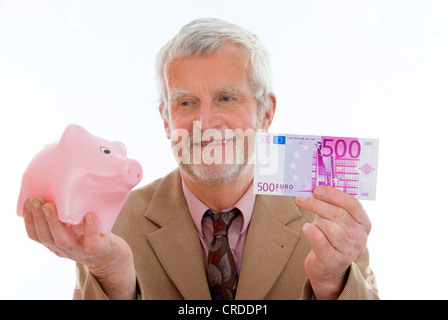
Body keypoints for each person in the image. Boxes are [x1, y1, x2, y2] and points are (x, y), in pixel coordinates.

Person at [22, 18, 379, 300]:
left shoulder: (329, 222)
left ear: (266, 112)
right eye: (186, 103)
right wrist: (115, 281)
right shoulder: (114, 223)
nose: (205, 123)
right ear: (165, 120)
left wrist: (332, 284)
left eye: (226, 98)